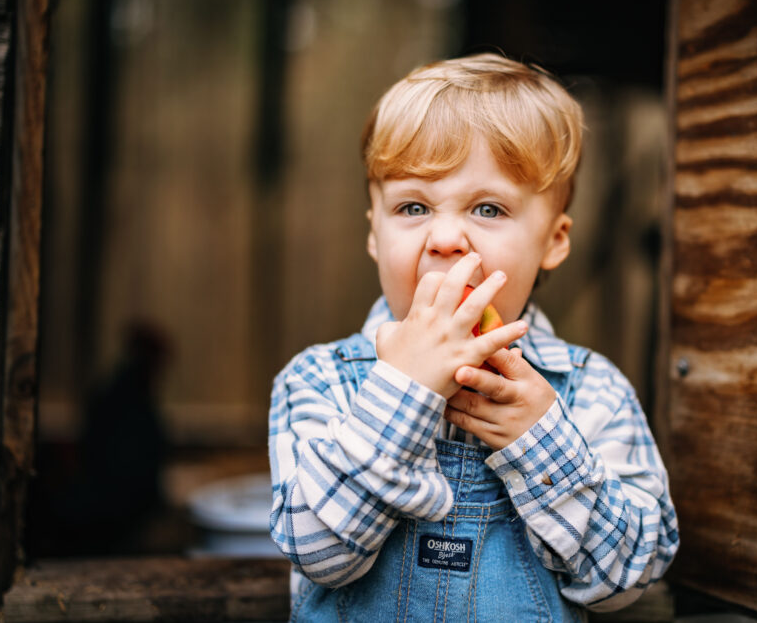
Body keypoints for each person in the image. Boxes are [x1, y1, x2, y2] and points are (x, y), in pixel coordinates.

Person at [269, 53, 678, 620]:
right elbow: (317, 552)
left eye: (487, 208)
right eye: (413, 206)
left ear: (554, 241)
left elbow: (626, 577)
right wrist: (401, 392)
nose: (445, 238)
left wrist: (542, 442)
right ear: (374, 234)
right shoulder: (318, 379)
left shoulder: (591, 393)